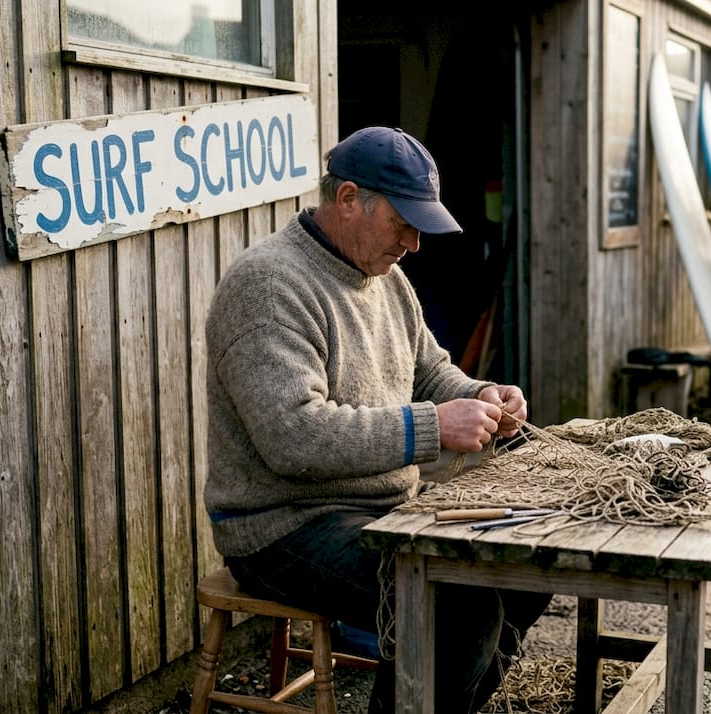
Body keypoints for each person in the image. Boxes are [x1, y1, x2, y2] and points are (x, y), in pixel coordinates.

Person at [203, 126, 551, 713]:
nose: (413, 243)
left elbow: (432, 373)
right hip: (283, 525)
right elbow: (293, 437)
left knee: (523, 568)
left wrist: (486, 394)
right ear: (348, 200)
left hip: (380, 511)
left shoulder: (386, 278)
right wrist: (432, 426)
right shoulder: (267, 284)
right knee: (456, 608)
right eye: (403, 223)